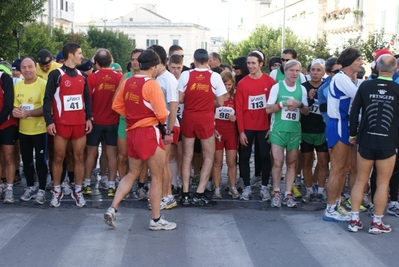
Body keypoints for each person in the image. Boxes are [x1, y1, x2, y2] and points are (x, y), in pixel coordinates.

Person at [104, 49, 176, 230]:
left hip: (132, 131)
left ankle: (113, 208)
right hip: (149, 132)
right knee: (157, 176)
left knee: (132, 173)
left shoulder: (128, 81)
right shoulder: (152, 85)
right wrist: (158, 116)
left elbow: (116, 105)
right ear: (154, 66)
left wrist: (133, 116)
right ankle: (156, 219)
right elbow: (161, 115)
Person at [348, 54, 399, 234]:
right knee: (383, 182)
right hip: (388, 141)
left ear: (376, 67)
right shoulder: (397, 88)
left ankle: (354, 220)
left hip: (366, 140)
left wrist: (352, 134)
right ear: (394, 68)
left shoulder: (365, 85)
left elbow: (354, 112)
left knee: (360, 180)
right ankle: (377, 223)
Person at [43, 42, 93, 207]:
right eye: (79, 52)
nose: (81, 55)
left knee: (79, 157)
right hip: (61, 124)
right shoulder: (55, 74)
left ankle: (77, 191)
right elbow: (48, 99)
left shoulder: (82, 76)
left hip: (79, 124)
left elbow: (87, 99)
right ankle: (57, 191)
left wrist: (88, 118)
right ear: (70, 55)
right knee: (58, 157)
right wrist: (49, 121)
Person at [178, 48, 226, 206]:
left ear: (194, 59)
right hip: (205, 119)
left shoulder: (186, 75)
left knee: (187, 156)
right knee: (208, 156)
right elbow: (220, 102)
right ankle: (199, 192)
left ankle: (185, 193)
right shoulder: (215, 76)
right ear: (208, 61)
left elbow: (180, 99)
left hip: (189, 118)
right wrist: (206, 103)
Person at [323, 47, 363, 222]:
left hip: (344, 125)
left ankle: (336, 204)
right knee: (338, 170)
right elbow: (360, 97)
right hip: (338, 124)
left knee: (344, 168)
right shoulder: (340, 78)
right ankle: (330, 208)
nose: (361, 63)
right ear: (350, 62)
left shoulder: (345, 78)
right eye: (359, 60)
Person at [266, 60, 309, 208]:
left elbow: (306, 111)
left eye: (297, 71)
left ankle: (288, 194)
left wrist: (300, 105)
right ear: (286, 71)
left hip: (294, 131)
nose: (295, 74)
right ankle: (276, 191)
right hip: (278, 130)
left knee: (291, 163)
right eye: (292, 71)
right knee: (278, 162)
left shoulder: (302, 89)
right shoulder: (277, 87)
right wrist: (283, 104)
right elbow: (267, 109)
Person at [235, 50, 275, 201]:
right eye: (248, 63)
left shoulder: (270, 82)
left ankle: (265, 187)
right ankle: (246, 187)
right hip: (247, 127)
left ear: (261, 64)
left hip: (264, 126)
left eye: (253, 63)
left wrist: (272, 127)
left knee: (265, 156)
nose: (250, 66)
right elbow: (239, 109)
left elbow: (273, 106)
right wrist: (241, 131)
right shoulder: (242, 83)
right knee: (244, 157)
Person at [83, 49, 122, 197]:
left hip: (95, 121)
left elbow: (88, 99)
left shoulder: (92, 77)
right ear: (111, 61)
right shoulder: (119, 77)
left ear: (96, 63)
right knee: (112, 154)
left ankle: (87, 184)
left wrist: (89, 117)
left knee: (91, 153)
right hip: (113, 121)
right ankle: (111, 185)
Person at [12, 57, 48, 204]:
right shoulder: (17, 86)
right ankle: (30, 187)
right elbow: (15, 106)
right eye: (24, 67)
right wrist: (15, 112)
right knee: (26, 161)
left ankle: (42, 190)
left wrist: (28, 113)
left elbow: (46, 108)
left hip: (40, 130)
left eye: (30, 67)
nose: (27, 70)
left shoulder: (43, 84)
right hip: (23, 130)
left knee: (41, 161)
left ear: (36, 67)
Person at [148, 44, 179, 210]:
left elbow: (173, 106)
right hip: (159, 126)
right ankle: (163, 194)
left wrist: (169, 130)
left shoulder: (169, 79)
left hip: (168, 126)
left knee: (164, 163)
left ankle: (168, 196)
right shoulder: (156, 78)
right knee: (159, 164)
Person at [300, 59, 328, 203]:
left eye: (318, 70)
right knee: (307, 161)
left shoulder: (327, 87)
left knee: (323, 162)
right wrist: (309, 100)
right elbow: (302, 109)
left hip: (322, 131)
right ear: (309, 71)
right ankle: (309, 190)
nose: (315, 73)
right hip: (306, 130)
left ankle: (321, 190)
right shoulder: (302, 87)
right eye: (313, 70)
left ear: (323, 72)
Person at [212, 70, 239, 199]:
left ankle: (232, 187)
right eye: (225, 84)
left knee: (231, 162)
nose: (227, 87)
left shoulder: (235, 97)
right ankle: (217, 188)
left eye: (230, 84)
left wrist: (236, 117)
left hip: (231, 133)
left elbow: (240, 113)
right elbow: (209, 113)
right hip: (218, 133)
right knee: (217, 162)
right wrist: (212, 128)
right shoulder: (215, 97)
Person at [0, 67, 18, 203]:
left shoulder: (4, 78)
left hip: (6, 124)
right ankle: (1, 185)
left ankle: (10, 189)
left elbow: (8, 103)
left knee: (8, 157)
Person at [318, 57, 341, 125]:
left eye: (342, 71)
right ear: (328, 73)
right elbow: (323, 110)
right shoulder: (322, 89)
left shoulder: (351, 84)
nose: (341, 74)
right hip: (333, 126)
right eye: (337, 72)